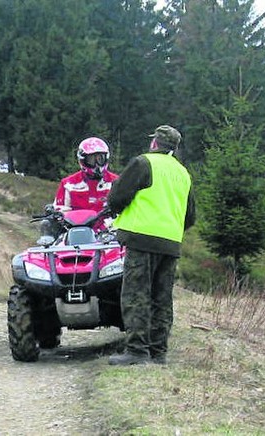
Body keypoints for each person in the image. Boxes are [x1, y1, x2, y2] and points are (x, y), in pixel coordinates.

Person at [106, 125, 196, 365]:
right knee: (162, 298)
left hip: (141, 237)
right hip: (170, 244)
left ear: (155, 143)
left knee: (136, 294)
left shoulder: (143, 163)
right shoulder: (183, 173)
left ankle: (136, 351)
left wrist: (115, 213)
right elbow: (190, 217)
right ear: (174, 148)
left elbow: (117, 197)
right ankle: (158, 352)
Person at [41, 137, 119, 238]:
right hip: (75, 234)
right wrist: (55, 213)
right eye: (91, 159)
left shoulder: (116, 182)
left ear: (106, 158)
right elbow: (60, 210)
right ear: (82, 160)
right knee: (47, 225)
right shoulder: (68, 184)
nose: (96, 164)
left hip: (109, 233)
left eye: (100, 159)